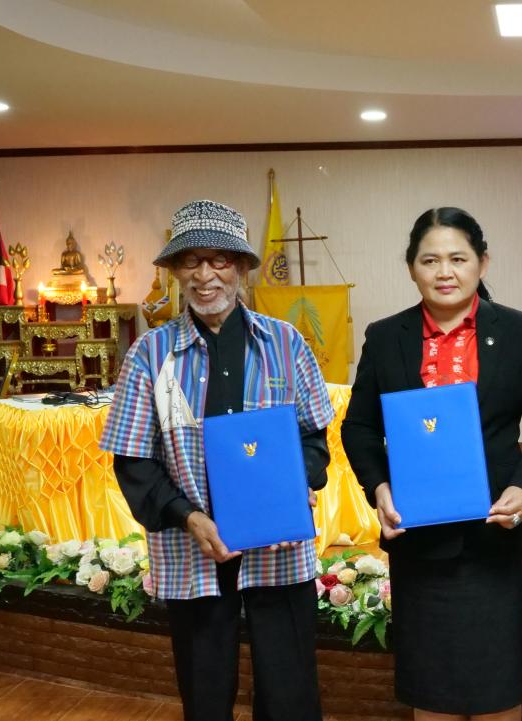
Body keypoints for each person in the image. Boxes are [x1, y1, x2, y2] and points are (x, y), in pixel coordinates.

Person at [100, 199, 333, 721]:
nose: (205, 275)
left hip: (279, 549)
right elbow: (133, 461)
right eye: (190, 261)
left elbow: (314, 439)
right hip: (193, 552)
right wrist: (189, 517)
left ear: (243, 268)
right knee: (204, 698)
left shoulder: (286, 343)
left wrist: (293, 489)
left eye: (220, 260)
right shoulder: (149, 355)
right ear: (175, 271)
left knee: (291, 696)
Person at [341, 207, 522, 721]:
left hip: (495, 538)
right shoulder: (386, 336)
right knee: (432, 690)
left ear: (482, 263)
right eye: (430, 260)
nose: (445, 272)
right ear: (411, 268)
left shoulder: (519, 330)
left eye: (458, 258)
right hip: (420, 541)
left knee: (498, 688)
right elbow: (358, 427)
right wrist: (379, 489)